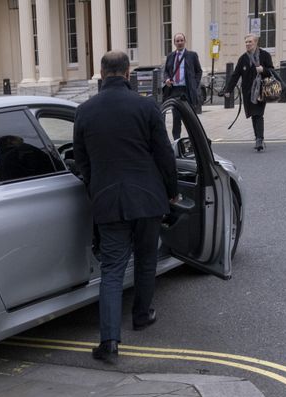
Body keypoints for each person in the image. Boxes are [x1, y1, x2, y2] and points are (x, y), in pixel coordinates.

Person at [74, 51, 178, 363]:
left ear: (101, 73)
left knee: (112, 270)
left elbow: (82, 162)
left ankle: (109, 343)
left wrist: (97, 189)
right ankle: (142, 315)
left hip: (108, 200)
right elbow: (164, 155)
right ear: (128, 73)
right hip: (147, 198)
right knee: (147, 260)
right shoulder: (146, 106)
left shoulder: (85, 111)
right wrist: (171, 192)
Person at [220, 34, 274, 152]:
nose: (247, 44)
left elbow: (271, 71)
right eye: (246, 42)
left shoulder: (265, 55)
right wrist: (228, 90)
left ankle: (259, 139)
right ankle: (258, 138)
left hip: (261, 90)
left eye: (250, 42)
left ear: (255, 42)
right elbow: (235, 75)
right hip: (248, 91)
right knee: (253, 114)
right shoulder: (243, 58)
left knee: (258, 113)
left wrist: (263, 70)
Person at [162, 32, 203, 136]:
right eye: (177, 41)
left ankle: (193, 141)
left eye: (181, 40)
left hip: (187, 90)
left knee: (190, 118)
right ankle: (177, 141)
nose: (180, 43)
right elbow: (166, 71)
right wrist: (166, 79)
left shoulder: (192, 55)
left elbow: (199, 71)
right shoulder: (170, 56)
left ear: (185, 41)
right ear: (174, 43)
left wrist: (195, 84)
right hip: (174, 90)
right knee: (176, 118)